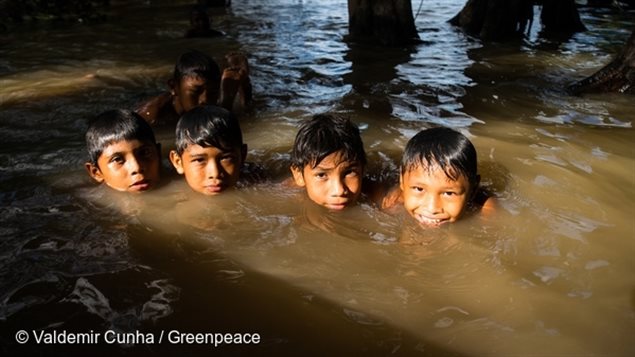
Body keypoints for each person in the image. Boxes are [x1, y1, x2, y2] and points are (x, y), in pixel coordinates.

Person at [382, 127, 494, 227]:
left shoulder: (487, 213)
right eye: (419, 189)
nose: (432, 209)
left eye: (449, 193)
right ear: (402, 180)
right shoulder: (392, 201)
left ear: (473, 190)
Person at [290, 113, 367, 211]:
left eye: (349, 172)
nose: (339, 191)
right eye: (321, 175)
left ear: (363, 169)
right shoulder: (285, 192)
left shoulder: (377, 194)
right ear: (298, 176)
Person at [169, 105, 247, 195]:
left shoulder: (259, 181)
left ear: (243, 155)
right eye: (199, 160)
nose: (215, 173)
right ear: (178, 162)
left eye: (226, 158)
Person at [136, 49, 221, 126]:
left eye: (213, 92)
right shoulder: (150, 118)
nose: (205, 100)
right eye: (196, 91)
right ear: (173, 87)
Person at [84, 109, 161, 193]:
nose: (137, 168)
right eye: (117, 159)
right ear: (96, 172)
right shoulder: (88, 201)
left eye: (144, 153)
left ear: (158, 154)